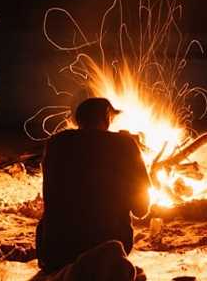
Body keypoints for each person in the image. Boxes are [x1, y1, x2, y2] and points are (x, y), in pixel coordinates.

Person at [36, 97, 151, 274]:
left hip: (56, 251)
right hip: (108, 248)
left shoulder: (56, 142)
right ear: (107, 117)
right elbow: (141, 209)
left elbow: (50, 196)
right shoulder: (124, 143)